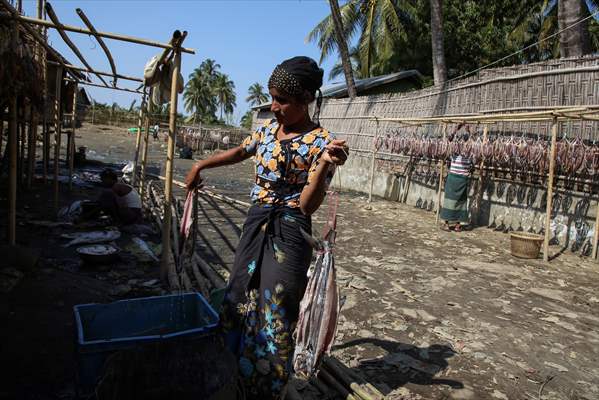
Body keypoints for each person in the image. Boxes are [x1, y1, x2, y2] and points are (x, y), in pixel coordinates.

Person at [185, 56, 348, 399]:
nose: (273, 106)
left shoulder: (322, 143)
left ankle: (269, 386)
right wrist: (201, 164)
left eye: (282, 100)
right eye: (271, 97)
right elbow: (238, 152)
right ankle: (235, 373)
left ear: (305, 99)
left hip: (289, 233)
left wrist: (323, 167)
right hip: (255, 225)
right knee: (238, 298)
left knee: (276, 308)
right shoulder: (266, 130)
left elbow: (307, 205)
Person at [440, 124, 472, 232]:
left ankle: (448, 224)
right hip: (461, 179)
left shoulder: (463, 150)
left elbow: (449, 140)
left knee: (453, 202)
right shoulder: (467, 151)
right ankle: (456, 225)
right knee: (459, 203)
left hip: (455, 178)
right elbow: (449, 141)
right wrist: (466, 131)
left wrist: (455, 130)